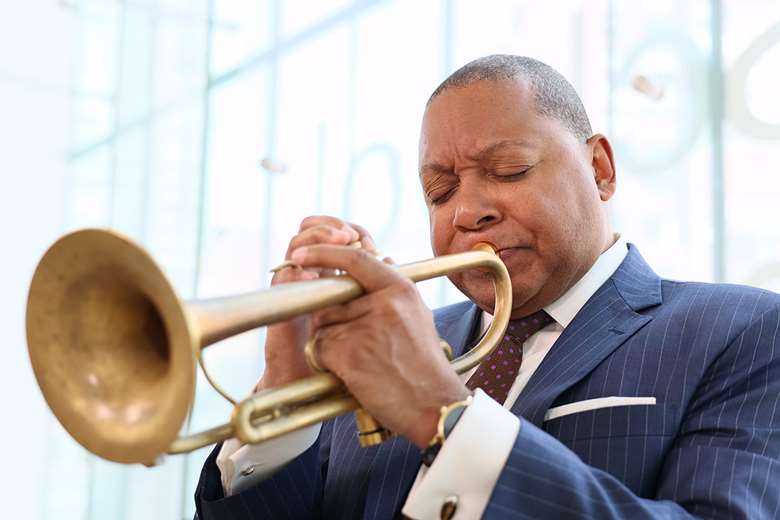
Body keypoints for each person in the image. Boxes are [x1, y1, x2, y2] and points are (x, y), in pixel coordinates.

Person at [194, 55, 780, 519]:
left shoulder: (744, 331)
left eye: (509, 171)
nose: (467, 211)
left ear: (600, 169)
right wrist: (286, 401)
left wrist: (442, 413)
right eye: (440, 191)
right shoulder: (386, 347)